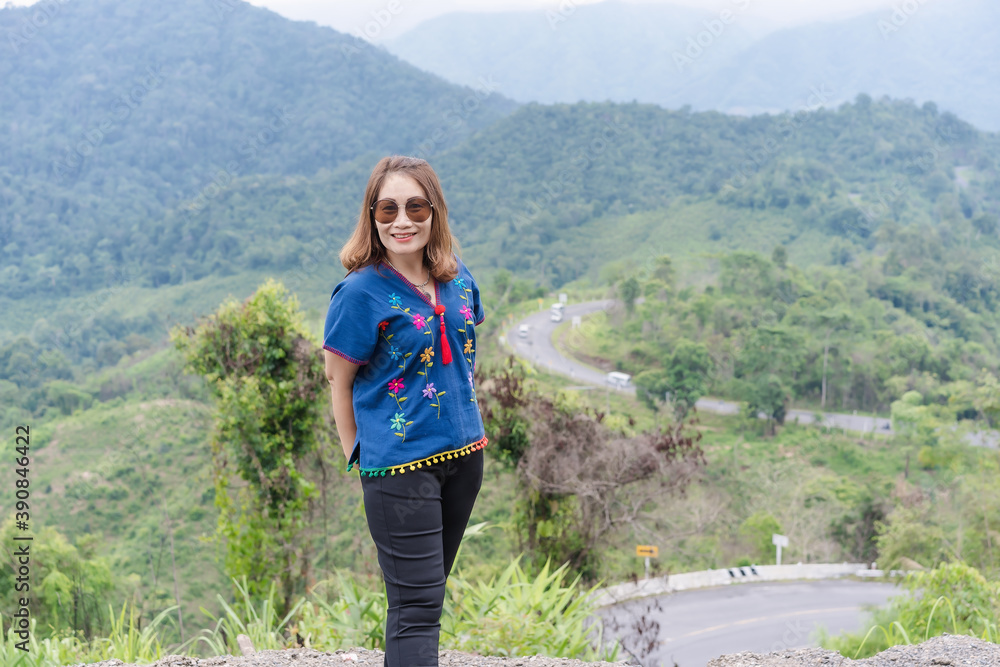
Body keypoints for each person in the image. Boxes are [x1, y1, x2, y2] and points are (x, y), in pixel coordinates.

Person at [322, 155, 488, 667]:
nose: (402, 220)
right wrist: (357, 450)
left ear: (434, 212)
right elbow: (338, 378)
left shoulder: (458, 279)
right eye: (388, 208)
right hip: (399, 467)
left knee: (430, 596)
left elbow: (462, 350)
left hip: (465, 457)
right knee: (415, 607)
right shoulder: (359, 293)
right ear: (371, 216)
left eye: (416, 206)